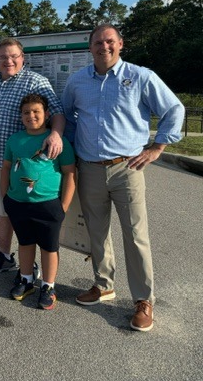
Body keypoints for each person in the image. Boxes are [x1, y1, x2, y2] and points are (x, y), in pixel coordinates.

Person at [62, 23, 184, 331]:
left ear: (120, 44)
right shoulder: (77, 82)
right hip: (89, 167)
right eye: (98, 43)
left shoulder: (141, 77)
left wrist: (158, 147)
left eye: (109, 41)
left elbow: (174, 109)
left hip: (127, 167)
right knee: (97, 231)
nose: (104, 47)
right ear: (89, 48)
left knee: (136, 235)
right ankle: (104, 285)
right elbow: (66, 117)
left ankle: (143, 300)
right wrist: (73, 151)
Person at [0, 37, 65, 275]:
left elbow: (56, 112)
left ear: (23, 58)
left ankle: (29, 264)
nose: (8, 61)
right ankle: (4, 256)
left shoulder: (36, 81)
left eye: (13, 56)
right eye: (3, 57)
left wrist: (55, 135)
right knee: (4, 210)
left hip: (23, 164)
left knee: (26, 213)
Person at [1, 94, 76, 310]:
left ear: (47, 115)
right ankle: (26, 280)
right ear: (21, 116)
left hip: (49, 204)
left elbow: (70, 173)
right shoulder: (14, 140)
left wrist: (63, 206)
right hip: (17, 203)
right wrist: (5, 196)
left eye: (36, 112)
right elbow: (6, 168)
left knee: (49, 247)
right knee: (25, 242)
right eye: (26, 112)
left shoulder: (59, 142)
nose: (31, 116)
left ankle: (48, 286)